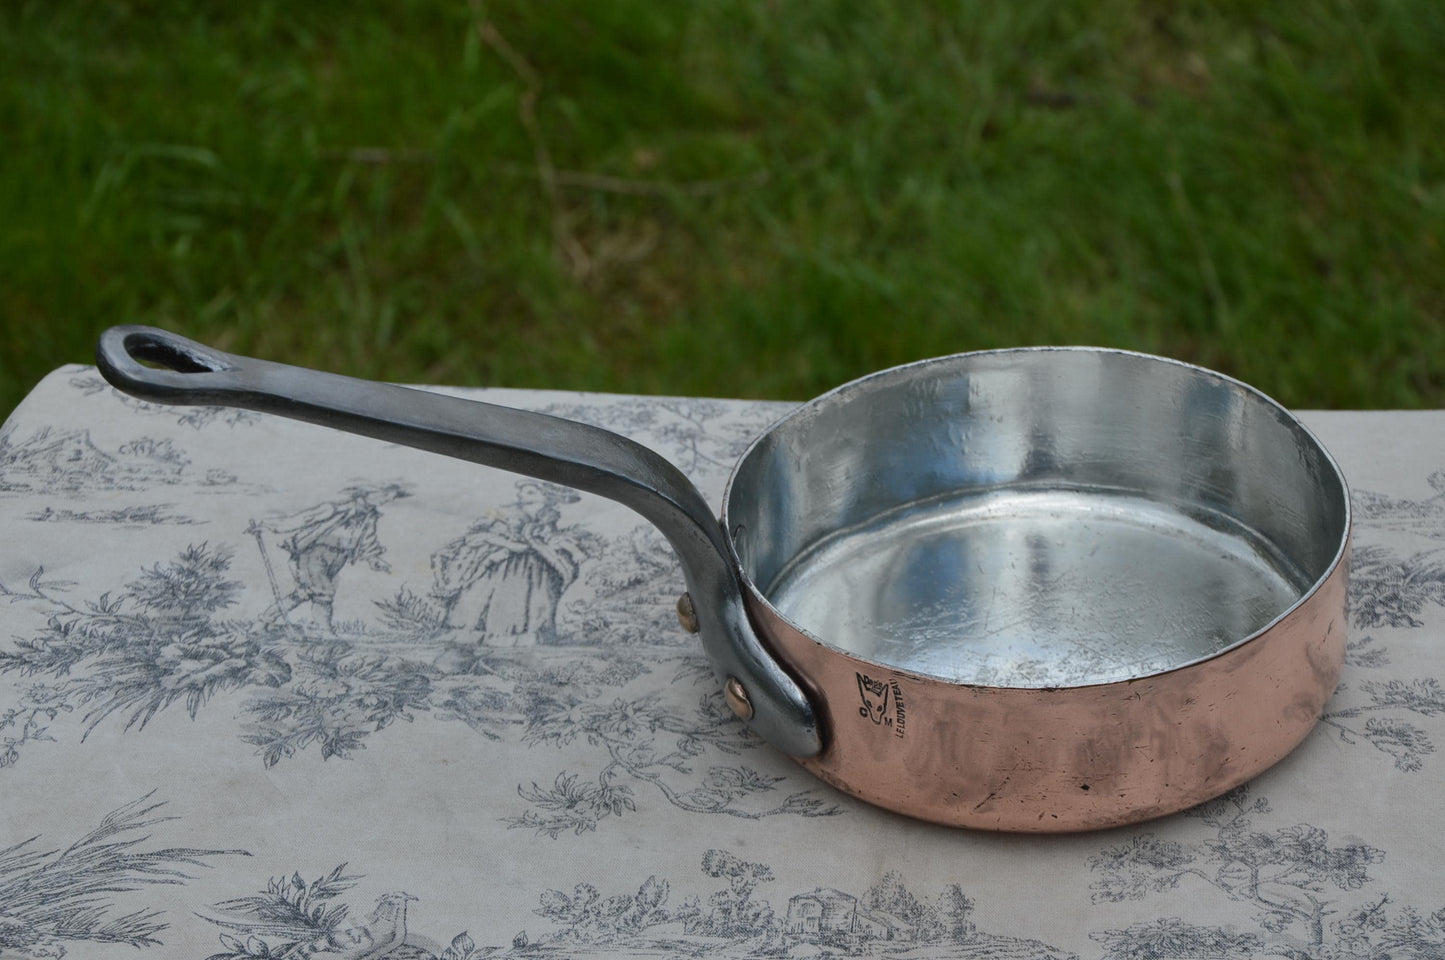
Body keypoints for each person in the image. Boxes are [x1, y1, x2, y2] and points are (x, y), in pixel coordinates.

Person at [430, 481, 585, 645]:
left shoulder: (548, 517)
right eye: (523, 492)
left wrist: (571, 549)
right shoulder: (505, 513)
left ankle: (524, 638)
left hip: (536, 566)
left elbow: (550, 538)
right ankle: (476, 636)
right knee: (487, 598)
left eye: (530, 492)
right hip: (503, 562)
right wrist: (508, 545)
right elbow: (481, 535)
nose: (522, 495)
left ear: (547, 497)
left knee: (534, 602)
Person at [253, 483, 410, 633]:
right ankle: (322, 630)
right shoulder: (335, 509)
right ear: (365, 493)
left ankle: (262, 623)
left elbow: (368, 539)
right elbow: (303, 518)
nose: (386, 500)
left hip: (338, 558)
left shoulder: (369, 517)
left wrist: (373, 558)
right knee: (323, 592)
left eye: (390, 498)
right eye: (383, 495)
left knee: (306, 593)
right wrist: (269, 525)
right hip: (314, 553)